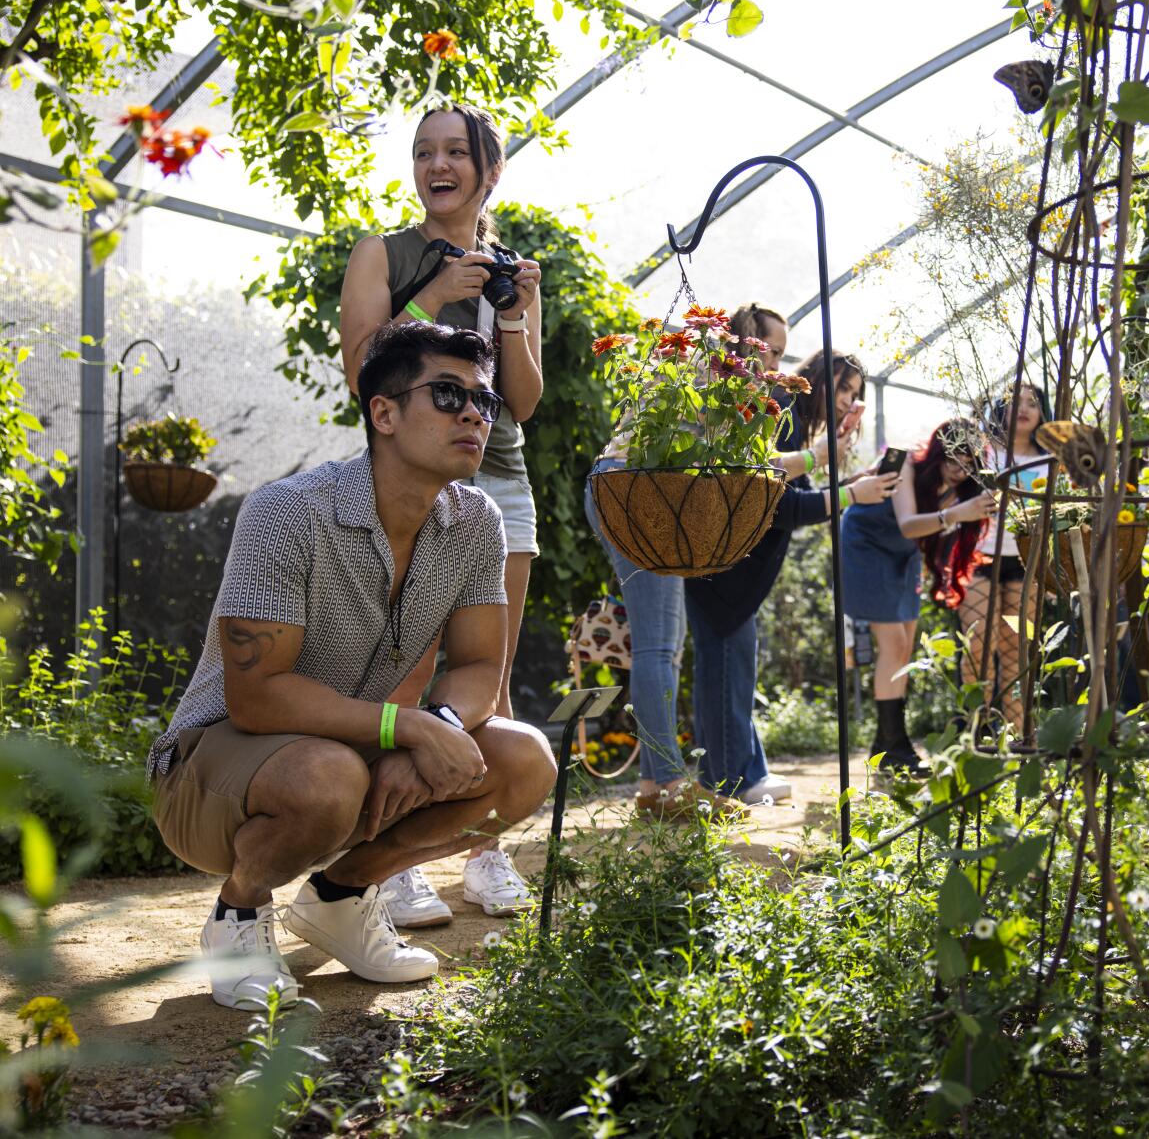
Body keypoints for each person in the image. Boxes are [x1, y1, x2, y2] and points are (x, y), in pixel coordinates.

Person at [146, 320, 559, 1010]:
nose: (473, 414)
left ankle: (339, 898)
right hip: (210, 771)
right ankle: (238, 915)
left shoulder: (477, 522)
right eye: (448, 394)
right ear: (384, 412)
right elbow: (257, 697)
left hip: (350, 747)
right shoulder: (288, 512)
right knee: (328, 775)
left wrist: (441, 726)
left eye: (483, 402)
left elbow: (483, 664)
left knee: (524, 758)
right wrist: (407, 730)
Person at [335, 105, 542, 923]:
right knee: (411, 675)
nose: (437, 164)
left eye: (456, 151)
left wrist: (517, 310)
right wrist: (428, 295)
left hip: (501, 489)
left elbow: (522, 402)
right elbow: (361, 371)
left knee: (487, 677)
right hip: (409, 487)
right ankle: (399, 863)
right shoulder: (382, 256)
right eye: (424, 151)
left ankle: (487, 854)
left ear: (488, 169)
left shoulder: (511, 270)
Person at [577, 303, 790, 820]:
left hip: (621, 485)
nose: (775, 365)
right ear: (745, 339)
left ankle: (654, 784)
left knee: (662, 649)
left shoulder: (707, 367)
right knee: (658, 648)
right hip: (637, 488)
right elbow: (747, 464)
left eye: (781, 355)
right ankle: (671, 783)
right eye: (772, 351)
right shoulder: (720, 375)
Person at [684, 349, 897, 802]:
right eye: (842, 388)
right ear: (817, 377)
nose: (846, 401)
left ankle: (740, 774)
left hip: (733, 573)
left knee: (732, 672)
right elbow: (782, 507)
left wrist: (847, 483)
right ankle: (727, 783)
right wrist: (850, 494)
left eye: (855, 395)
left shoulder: (794, 422)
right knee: (725, 672)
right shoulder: (782, 413)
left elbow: (795, 498)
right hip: (726, 570)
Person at [856, 417, 998, 768]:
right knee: (893, 646)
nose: (959, 470)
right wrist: (956, 513)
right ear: (938, 452)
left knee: (904, 647)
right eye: (953, 459)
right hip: (867, 547)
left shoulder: (959, 490)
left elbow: (923, 536)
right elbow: (907, 525)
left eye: (968, 463)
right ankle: (896, 747)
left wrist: (961, 511)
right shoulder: (906, 463)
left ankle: (883, 744)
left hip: (901, 557)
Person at [963, 382, 1053, 734]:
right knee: (977, 643)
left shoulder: (1050, 459)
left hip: (1025, 560)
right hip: (979, 557)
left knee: (1018, 651)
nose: (1025, 408)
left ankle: (1018, 736)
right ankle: (976, 730)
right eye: (1015, 402)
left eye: (1033, 402)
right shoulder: (983, 452)